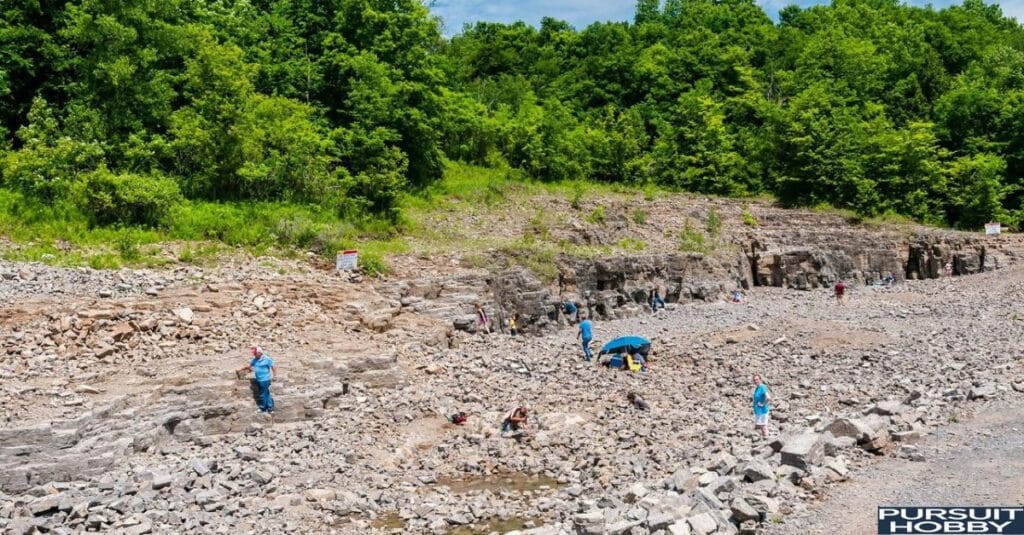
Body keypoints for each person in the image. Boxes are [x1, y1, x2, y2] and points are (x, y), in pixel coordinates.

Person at [237, 346, 276, 414]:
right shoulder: (255, 359)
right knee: (266, 393)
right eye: (254, 354)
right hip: (259, 379)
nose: (254, 355)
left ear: (260, 353)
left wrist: (274, 375)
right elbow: (249, 366)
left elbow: (273, 366)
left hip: (265, 379)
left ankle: (262, 408)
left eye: (255, 353)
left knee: (262, 393)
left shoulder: (267, 359)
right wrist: (240, 369)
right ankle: (270, 408)